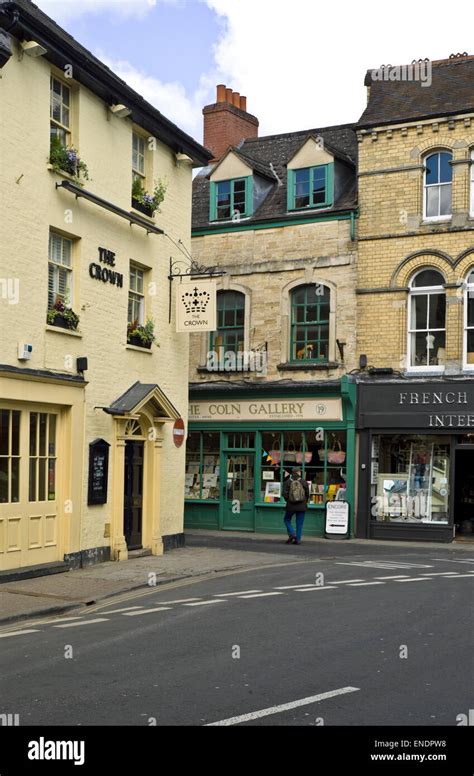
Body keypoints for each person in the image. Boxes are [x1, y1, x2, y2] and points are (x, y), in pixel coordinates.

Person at [283, 467, 309, 545]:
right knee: (299, 523)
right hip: (301, 506)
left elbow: (284, 494)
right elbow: (307, 494)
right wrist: (304, 501)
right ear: (298, 472)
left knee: (287, 519)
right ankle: (298, 539)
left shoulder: (287, 482)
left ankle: (292, 534)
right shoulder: (304, 482)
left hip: (291, 505)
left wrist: (289, 500)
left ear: (292, 473)